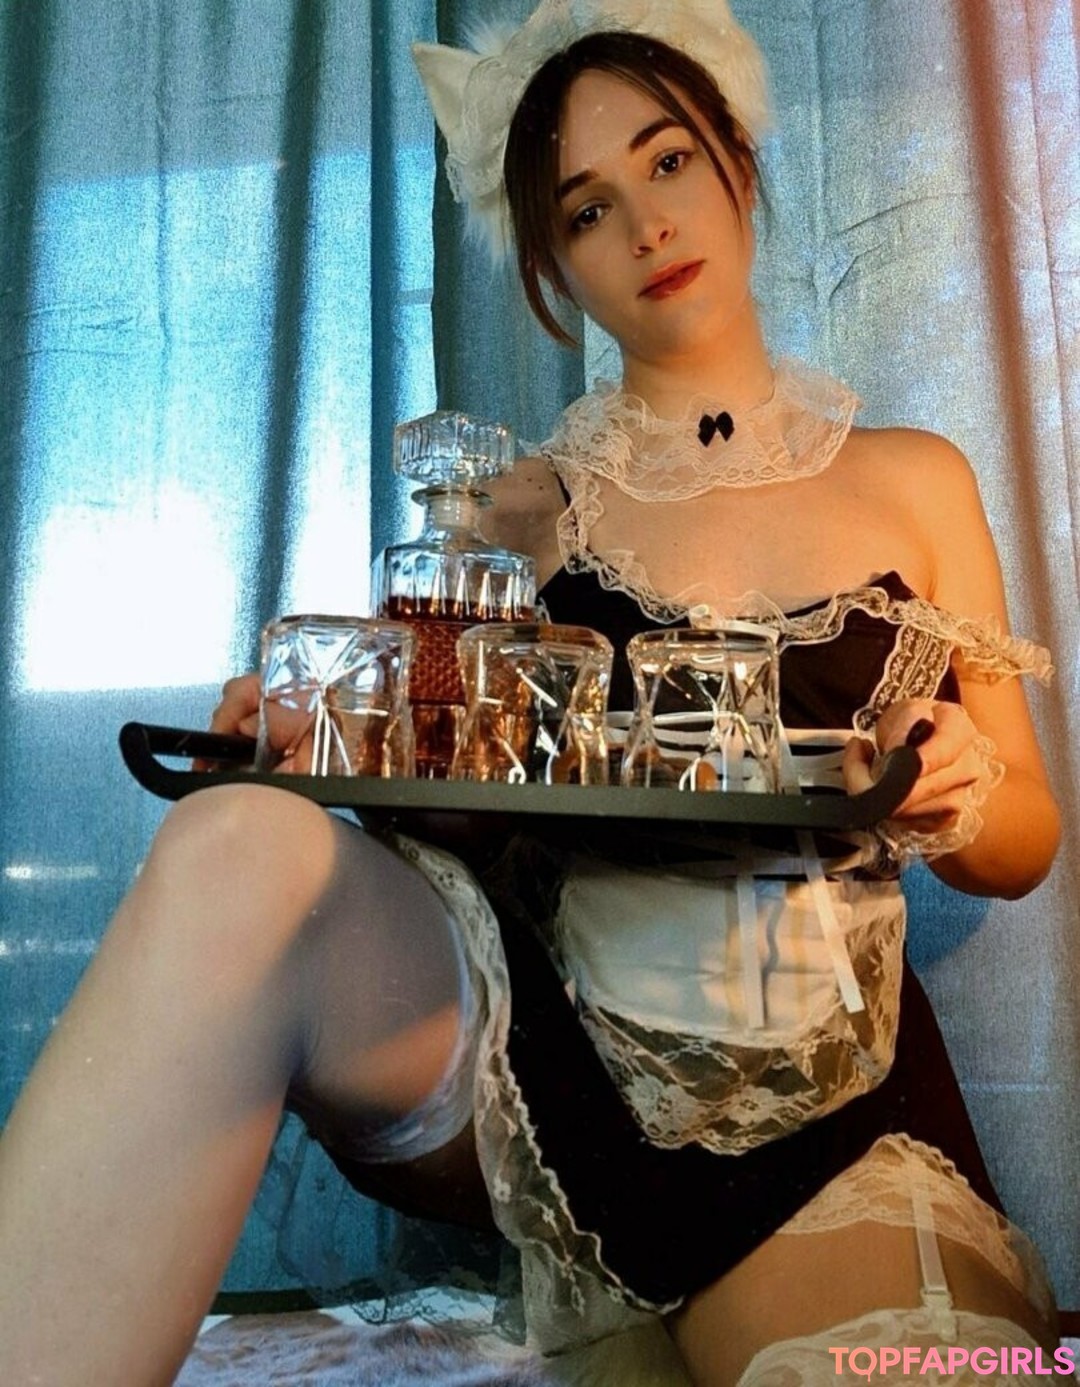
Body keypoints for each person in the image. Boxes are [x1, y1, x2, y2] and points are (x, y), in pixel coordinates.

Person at [0, 2, 1061, 1384]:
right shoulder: (511, 511)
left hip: (816, 1098)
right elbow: (444, 797)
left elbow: (1026, 842)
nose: (648, 226)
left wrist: (952, 784)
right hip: (541, 1066)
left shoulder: (915, 479)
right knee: (236, 843)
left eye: (668, 162)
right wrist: (317, 735)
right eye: (588, 209)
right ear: (553, 264)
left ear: (737, 159)